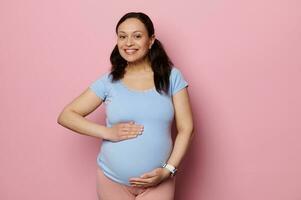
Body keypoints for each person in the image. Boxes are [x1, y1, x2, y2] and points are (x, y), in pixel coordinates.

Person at [57, 12, 194, 200]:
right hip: (111, 181)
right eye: (122, 36)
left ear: (151, 40)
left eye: (137, 36)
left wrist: (168, 170)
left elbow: (186, 128)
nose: (128, 42)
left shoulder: (172, 77)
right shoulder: (109, 82)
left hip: (158, 182)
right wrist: (107, 132)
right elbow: (66, 115)